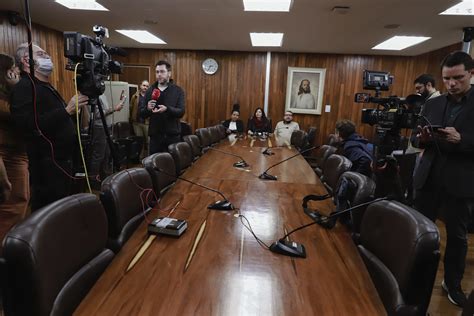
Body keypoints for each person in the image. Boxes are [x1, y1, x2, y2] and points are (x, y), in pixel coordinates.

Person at [413, 51, 474, 308]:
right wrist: (423, 139)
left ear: (471, 73)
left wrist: (463, 141)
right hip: (428, 177)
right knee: (420, 231)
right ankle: (414, 279)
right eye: (447, 78)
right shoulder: (433, 103)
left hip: (461, 180)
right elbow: (415, 139)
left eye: (458, 77)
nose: (452, 84)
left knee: (457, 237)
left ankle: (452, 283)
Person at [10, 43, 89, 211]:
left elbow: (58, 119)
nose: (48, 57)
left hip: (62, 163)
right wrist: (67, 110)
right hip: (46, 167)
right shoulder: (24, 87)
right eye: (42, 54)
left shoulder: (45, 87)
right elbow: (28, 125)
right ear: (27, 60)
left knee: (61, 210)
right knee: (49, 212)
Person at [0, 53, 29, 242]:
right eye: (13, 68)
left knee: (19, 205)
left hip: (17, 153)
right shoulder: (4, 101)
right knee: (12, 208)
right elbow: (22, 117)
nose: (17, 70)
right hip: (8, 156)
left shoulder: (6, 94)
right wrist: (18, 89)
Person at [141, 60, 185, 154]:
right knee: (153, 166)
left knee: (173, 165)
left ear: (169, 73)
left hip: (172, 136)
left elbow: (181, 111)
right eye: (157, 72)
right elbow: (141, 114)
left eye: (162, 71)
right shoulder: (150, 91)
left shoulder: (178, 91)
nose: (159, 74)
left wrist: (167, 109)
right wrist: (148, 109)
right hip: (155, 137)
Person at [84, 93, 126, 185]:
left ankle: (105, 179)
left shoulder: (102, 94)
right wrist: (114, 108)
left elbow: (104, 110)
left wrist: (114, 108)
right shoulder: (92, 94)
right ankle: (93, 180)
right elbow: (98, 114)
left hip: (107, 126)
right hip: (99, 127)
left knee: (107, 153)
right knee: (99, 155)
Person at [130, 80, 149, 157]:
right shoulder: (135, 96)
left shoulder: (150, 97)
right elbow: (131, 108)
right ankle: (140, 158)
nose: (145, 87)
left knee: (148, 141)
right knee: (139, 141)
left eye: (147, 86)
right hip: (136, 123)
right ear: (140, 86)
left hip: (147, 122)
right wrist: (131, 119)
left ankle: (148, 158)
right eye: (144, 85)